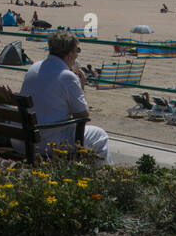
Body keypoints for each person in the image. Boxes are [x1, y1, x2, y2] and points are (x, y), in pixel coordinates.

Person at [15, 30, 109, 162]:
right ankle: (101, 177)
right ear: (70, 53)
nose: (77, 54)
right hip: (46, 142)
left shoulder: (34, 67)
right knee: (100, 135)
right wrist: (81, 89)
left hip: (21, 139)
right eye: (77, 50)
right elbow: (83, 116)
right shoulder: (67, 76)